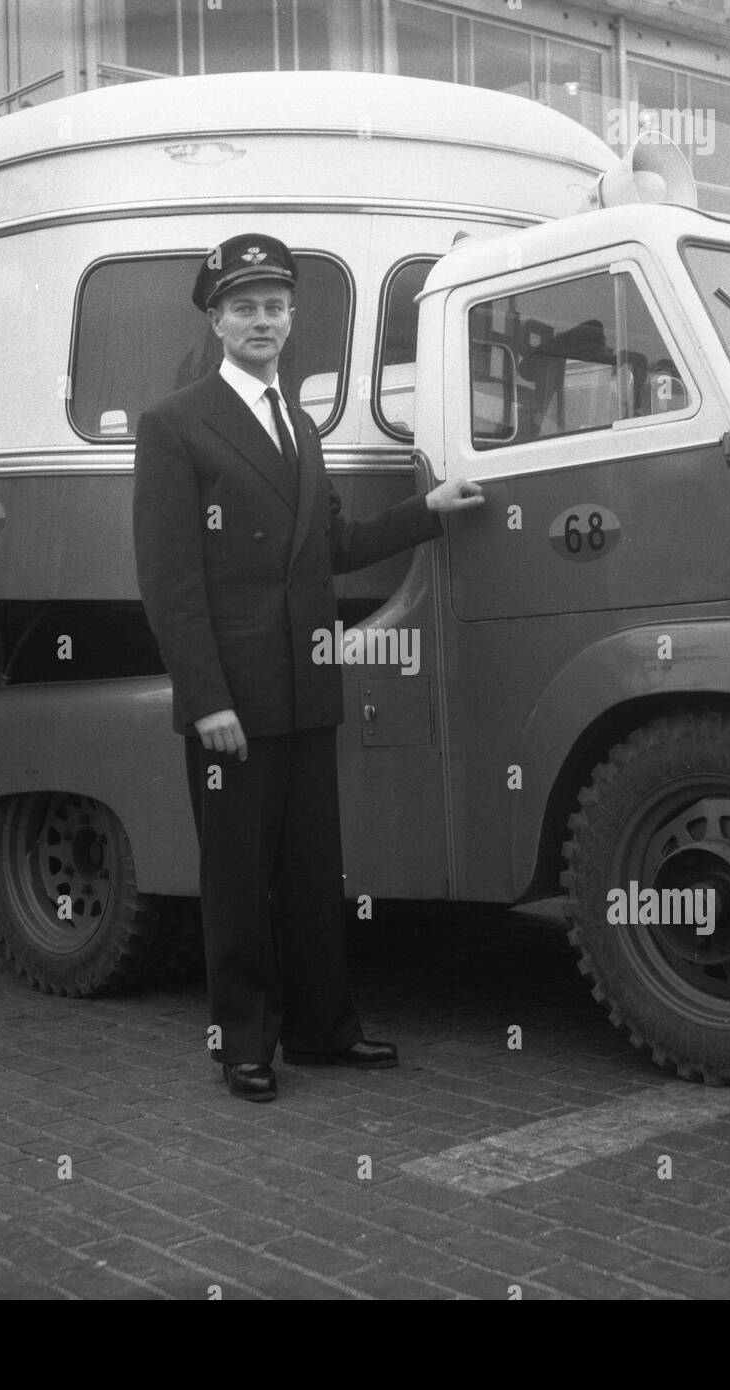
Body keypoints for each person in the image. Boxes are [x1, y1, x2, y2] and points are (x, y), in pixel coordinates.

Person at [132, 233, 482, 1101]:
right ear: (217, 320)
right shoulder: (175, 424)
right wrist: (206, 699)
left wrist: (426, 514)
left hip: (302, 687)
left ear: (293, 319)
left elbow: (331, 546)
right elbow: (169, 582)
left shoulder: (299, 424)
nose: (263, 321)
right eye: (245, 307)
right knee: (240, 880)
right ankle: (243, 1043)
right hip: (235, 702)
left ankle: (325, 1031)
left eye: (276, 306)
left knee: (312, 874)